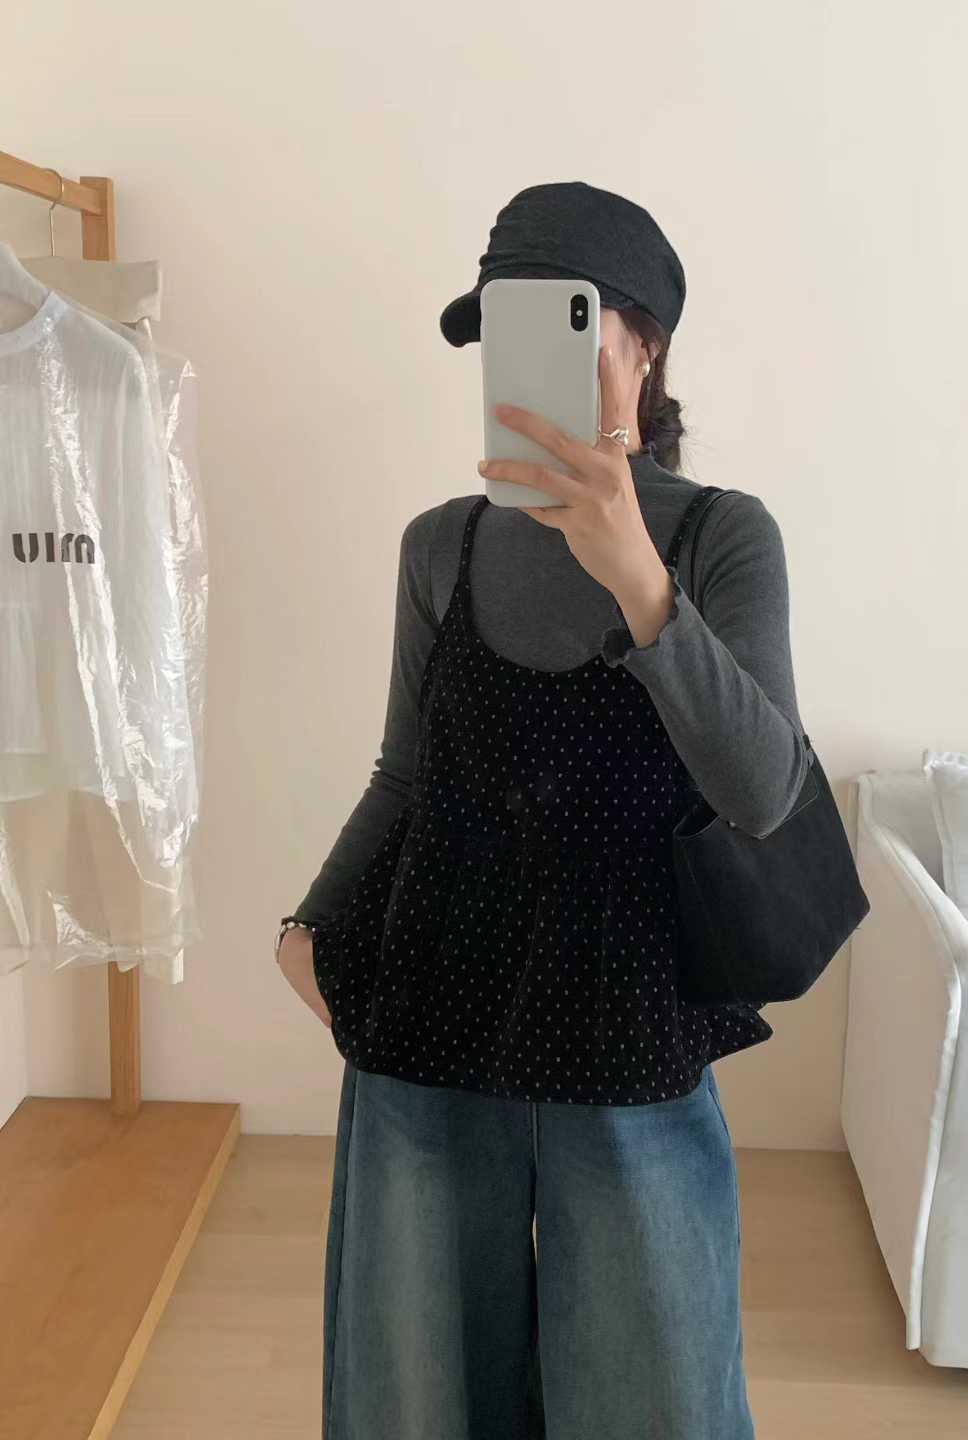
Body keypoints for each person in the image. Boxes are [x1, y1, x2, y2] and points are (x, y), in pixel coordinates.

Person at [276, 181, 807, 1440]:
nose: (521, 359)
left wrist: (637, 579)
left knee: (650, 1394)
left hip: (627, 1029)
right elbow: (405, 778)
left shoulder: (723, 540)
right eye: (499, 330)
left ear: (643, 344)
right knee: (416, 1394)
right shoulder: (439, 545)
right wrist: (307, 927)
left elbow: (764, 792)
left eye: (560, 322)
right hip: (430, 1010)